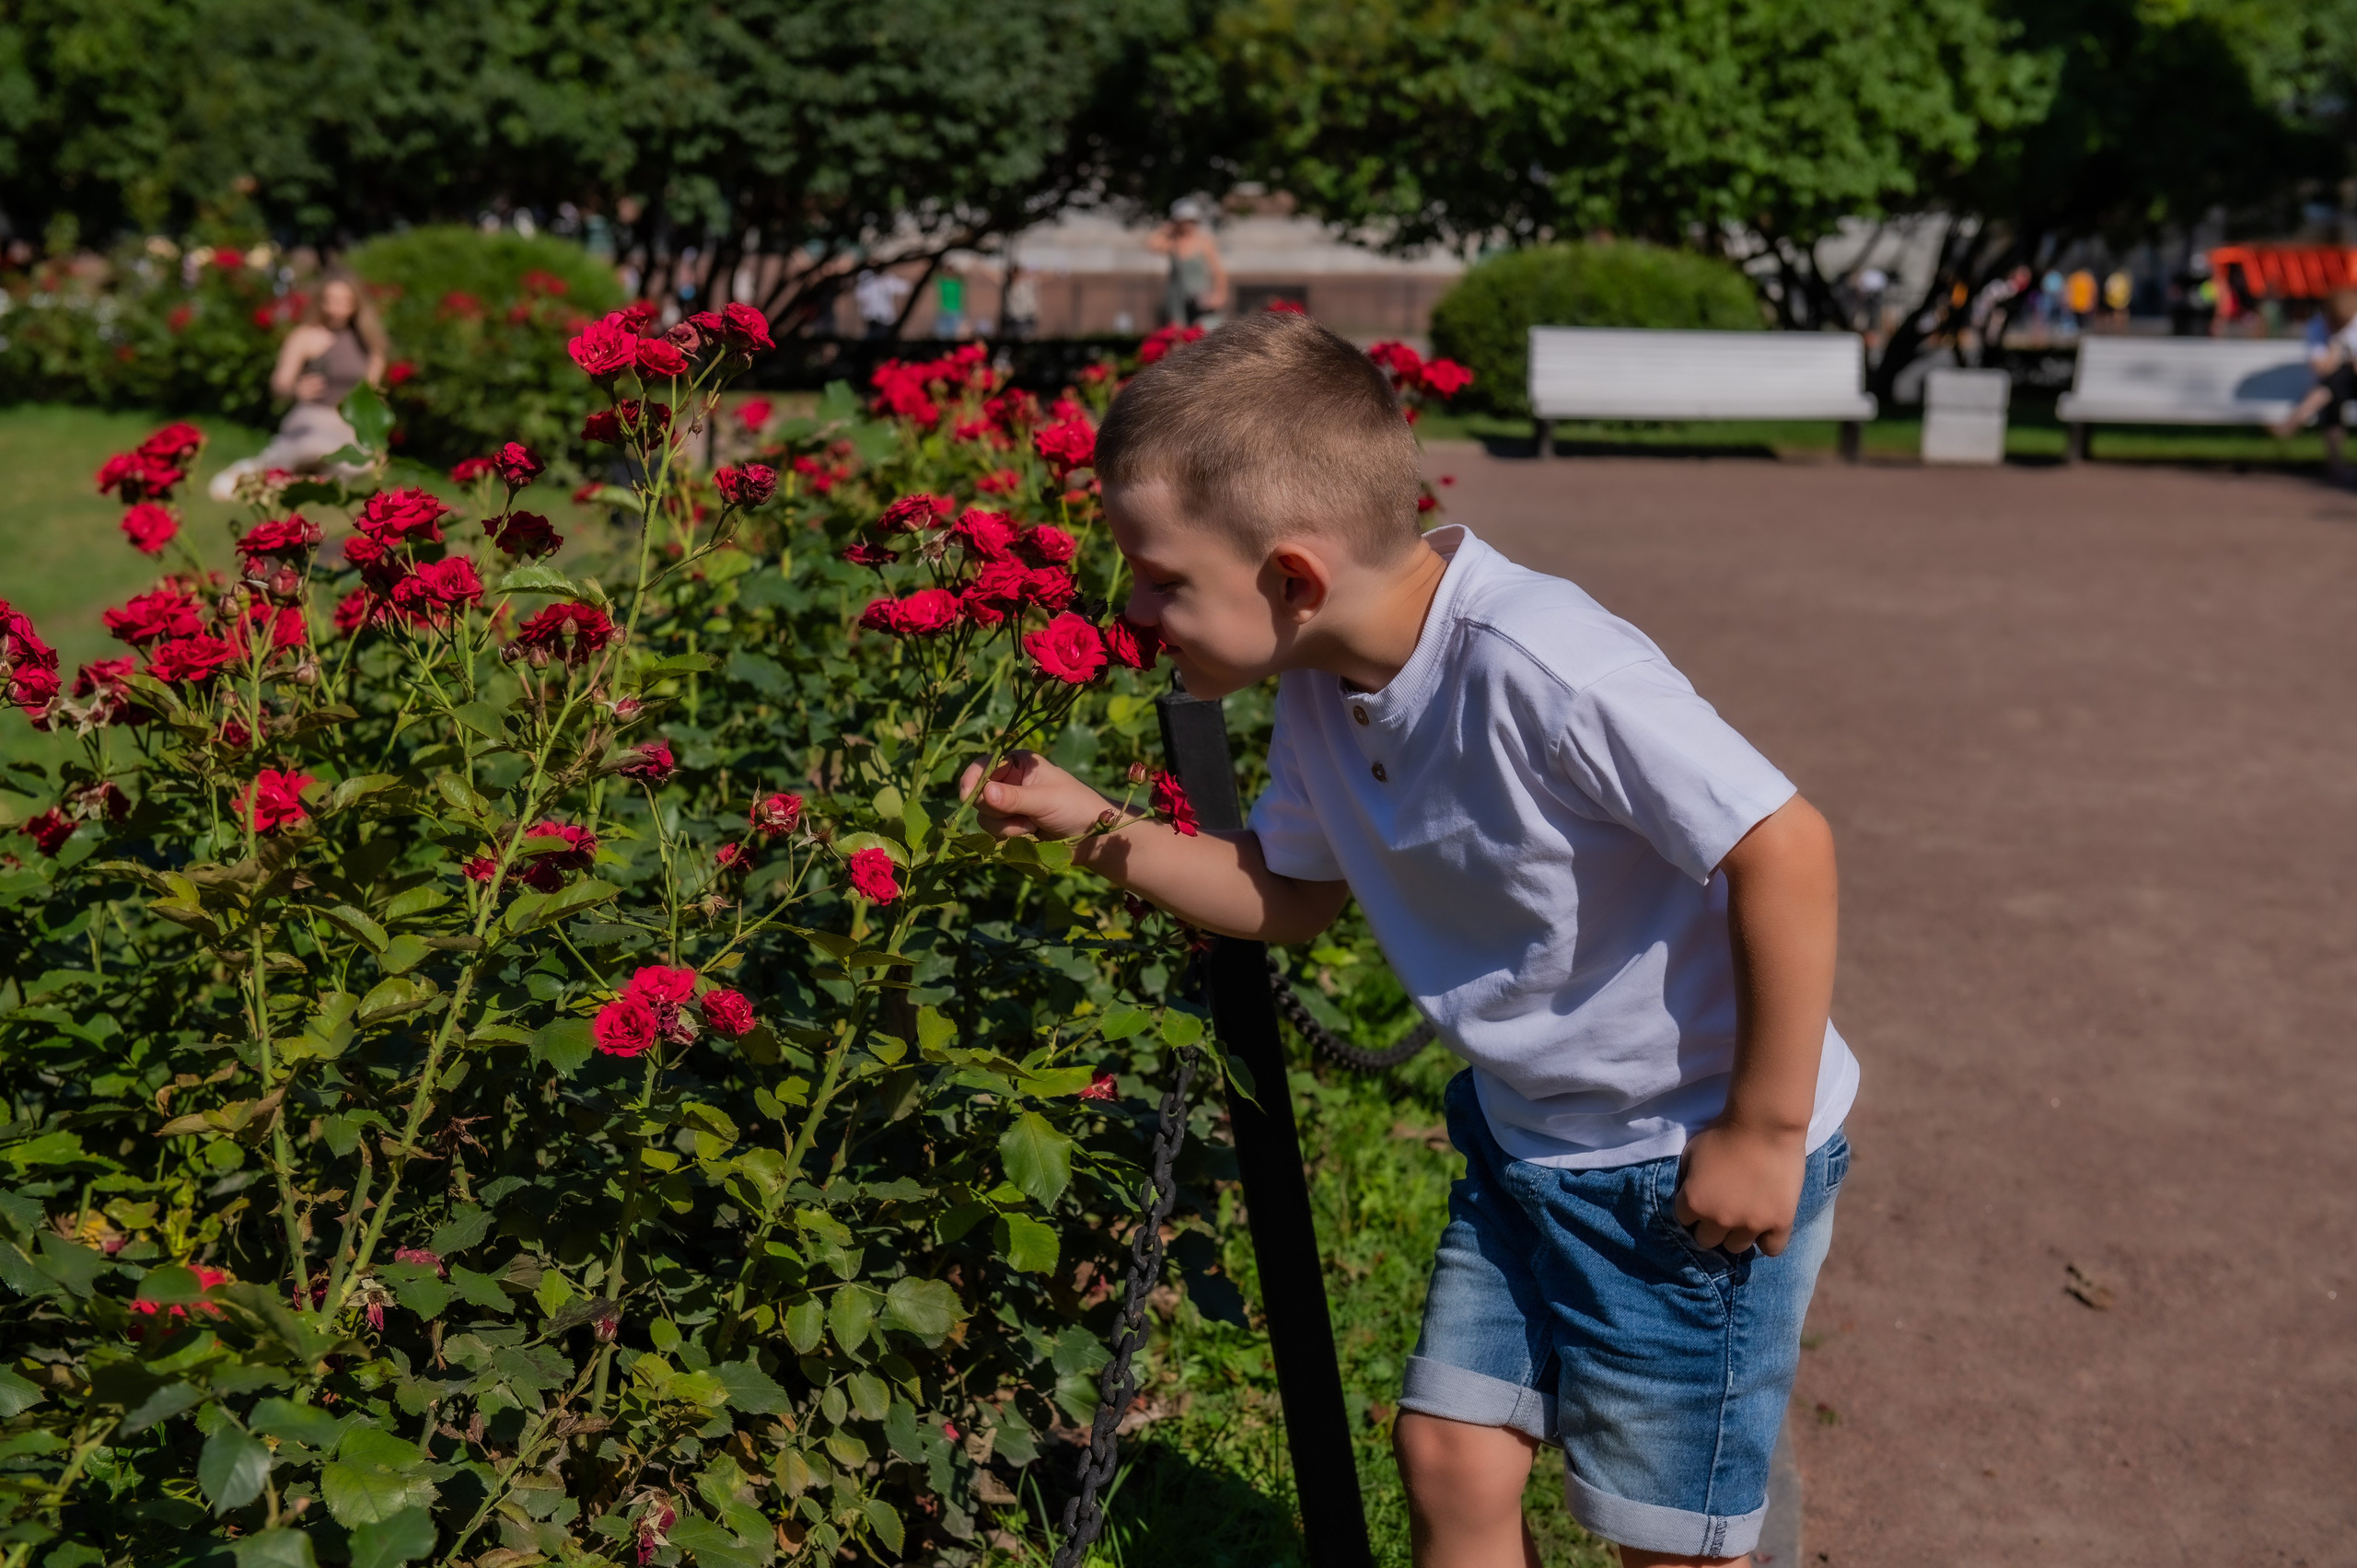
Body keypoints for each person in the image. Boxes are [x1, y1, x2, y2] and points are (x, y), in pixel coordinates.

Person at [958, 312, 1855, 1567]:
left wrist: (1760, 1131)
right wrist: (1093, 827)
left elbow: (1785, 841)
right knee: (1448, 1456)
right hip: (1528, 1134)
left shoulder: (1542, 662)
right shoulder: (1326, 682)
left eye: (1163, 577)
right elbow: (1287, 892)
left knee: (1669, 1540)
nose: (1140, 608)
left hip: (1685, 1156)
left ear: (1293, 576)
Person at [209, 271, 387, 500]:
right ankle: (258, 471)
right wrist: (296, 389)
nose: (336, 308)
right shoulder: (305, 336)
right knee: (310, 448)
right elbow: (280, 384)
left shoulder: (369, 344)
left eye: (344, 301)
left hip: (348, 424)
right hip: (313, 416)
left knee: (359, 464)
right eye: (331, 300)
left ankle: (305, 482)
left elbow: (372, 394)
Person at [2269, 287, 2357, 441]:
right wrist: (2335, 348)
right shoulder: (2318, 326)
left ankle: (2293, 422)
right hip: (2336, 384)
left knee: (2332, 386)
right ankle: (2336, 463)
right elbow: (2321, 369)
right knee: (2334, 387)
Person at [1145, 197, 1229, 328]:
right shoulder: (1173, 242)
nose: (1189, 225)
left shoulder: (1204, 242)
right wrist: (1166, 228)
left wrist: (1220, 295)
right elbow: (1152, 245)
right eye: (1185, 221)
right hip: (1177, 301)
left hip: (1200, 299)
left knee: (1202, 335)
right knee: (1178, 338)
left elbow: (1218, 272)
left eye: (1192, 221)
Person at [853, 268, 910, 340]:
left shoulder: (885, 279)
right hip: (873, 322)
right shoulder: (865, 278)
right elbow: (860, 295)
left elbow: (905, 288)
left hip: (885, 322)